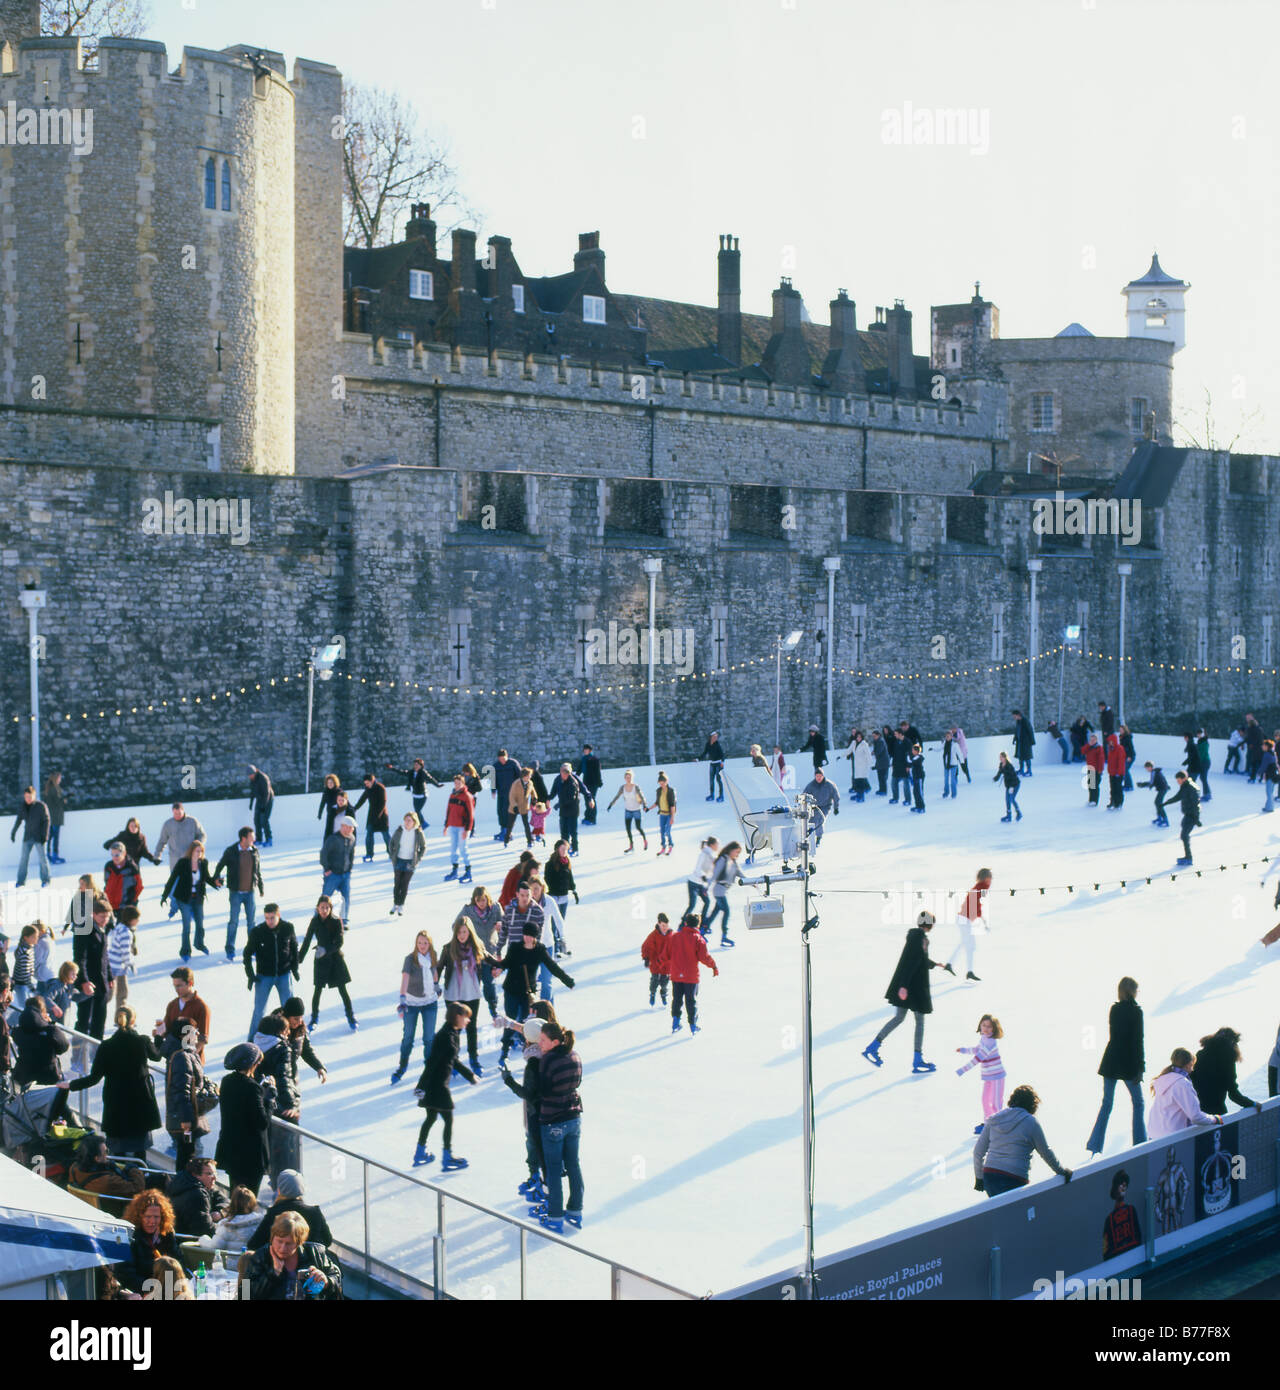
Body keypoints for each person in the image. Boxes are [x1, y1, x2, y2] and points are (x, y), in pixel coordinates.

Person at [60, 1004, 162, 1159]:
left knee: (117, 1153)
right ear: (133, 1021)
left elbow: (94, 1078)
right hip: (140, 1104)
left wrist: (70, 1085)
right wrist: (160, 1036)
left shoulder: (106, 1046)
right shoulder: (142, 1041)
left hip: (116, 1105)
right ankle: (141, 1178)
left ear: (116, 1021)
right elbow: (157, 1056)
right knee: (140, 1152)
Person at [863, 910, 951, 1074]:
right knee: (919, 1022)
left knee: (899, 1018)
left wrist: (935, 964)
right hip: (913, 988)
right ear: (929, 924)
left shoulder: (916, 937)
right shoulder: (919, 938)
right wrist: (903, 986)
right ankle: (917, 1060)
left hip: (909, 986)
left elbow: (919, 959)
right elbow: (912, 960)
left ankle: (873, 1047)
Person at [493, 918, 575, 1065]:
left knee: (527, 1021)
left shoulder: (540, 950)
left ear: (535, 936)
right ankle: (505, 1049)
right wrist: (496, 966)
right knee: (510, 1018)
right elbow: (506, 963)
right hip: (511, 990)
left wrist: (567, 980)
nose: (527, 938)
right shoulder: (515, 947)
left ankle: (528, 1047)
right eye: (525, 935)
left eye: (530, 935)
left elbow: (552, 966)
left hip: (527, 993)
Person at [500, 1006, 558, 1211]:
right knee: (538, 1149)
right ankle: (538, 1180)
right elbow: (529, 1029)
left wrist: (508, 1080)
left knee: (538, 1149)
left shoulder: (533, 1061)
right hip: (549, 1112)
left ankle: (544, 1190)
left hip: (537, 1114)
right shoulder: (547, 1052)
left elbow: (529, 1093)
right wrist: (508, 1023)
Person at [973, 1084, 1072, 1197]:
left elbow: (978, 1152)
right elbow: (1045, 1152)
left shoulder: (993, 1119)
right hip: (1014, 1178)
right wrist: (1061, 1171)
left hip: (990, 1176)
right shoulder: (1031, 1122)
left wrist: (979, 1178)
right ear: (1032, 1105)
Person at [413, 1003, 479, 1170]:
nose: (468, 1020)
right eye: (466, 1016)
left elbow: (453, 1060)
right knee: (447, 1119)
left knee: (431, 1118)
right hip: (437, 1085)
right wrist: (421, 1085)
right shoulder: (445, 1036)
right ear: (457, 1017)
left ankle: (420, 1152)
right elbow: (432, 1062)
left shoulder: (453, 1033)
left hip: (437, 1083)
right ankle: (447, 1156)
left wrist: (469, 1075)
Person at [1085, 977, 1146, 1156]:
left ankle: (1095, 1145)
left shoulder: (1115, 1009)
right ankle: (1140, 1142)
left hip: (1111, 1060)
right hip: (1128, 1063)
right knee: (1138, 1103)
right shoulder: (1136, 1012)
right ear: (1133, 991)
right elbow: (1137, 1041)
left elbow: (1115, 1036)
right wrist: (1140, 1067)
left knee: (1107, 1104)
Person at [536, 1021, 584, 1234]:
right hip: (573, 1117)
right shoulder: (574, 1055)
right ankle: (575, 1211)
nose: (539, 1043)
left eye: (543, 1040)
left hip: (553, 1120)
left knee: (554, 1169)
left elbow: (543, 1090)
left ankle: (555, 1217)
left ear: (554, 1042)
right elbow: (578, 1082)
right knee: (573, 1165)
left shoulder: (548, 1060)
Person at [215, 1042, 274, 1198]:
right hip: (250, 1155)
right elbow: (262, 1122)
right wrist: (268, 1099)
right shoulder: (252, 1088)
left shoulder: (227, 1081)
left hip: (231, 1149)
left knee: (235, 1193)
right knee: (248, 1197)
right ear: (253, 1064)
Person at [246, 1211, 341, 1300]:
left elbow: (336, 1280)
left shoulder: (315, 1254)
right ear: (272, 1237)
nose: (282, 1248)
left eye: (289, 1243)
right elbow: (244, 1294)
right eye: (279, 1241)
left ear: (299, 1242)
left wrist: (327, 1282)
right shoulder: (259, 1257)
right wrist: (273, 1273)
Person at [439, 915, 492, 1073]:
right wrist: (434, 983)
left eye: (464, 932)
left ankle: (474, 1059)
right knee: (454, 1029)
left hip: (472, 993)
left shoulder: (477, 947)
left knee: (471, 1027)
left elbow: (491, 960)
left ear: (469, 932)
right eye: (459, 932)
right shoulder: (448, 948)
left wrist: (500, 966)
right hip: (453, 994)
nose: (462, 935)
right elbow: (439, 967)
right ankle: (453, 1061)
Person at [299, 895, 356, 1031]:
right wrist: (299, 958)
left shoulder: (336, 921)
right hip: (321, 961)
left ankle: (351, 1017)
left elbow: (340, 942)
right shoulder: (314, 921)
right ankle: (314, 1019)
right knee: (317, 990)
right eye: (322, 907)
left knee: (343, 990)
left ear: (330, 908)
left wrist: (326, 950)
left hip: (335, 959)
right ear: (317, 908)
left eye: (327, 908)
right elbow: (307, 940)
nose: (324, 910)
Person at [244, 903, 300, 1039]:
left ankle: (292, 1036)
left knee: (289, 1009)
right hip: (264, 976)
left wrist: (295, 968)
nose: (269, 921)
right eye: (267, 918)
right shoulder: (258, 932)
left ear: (278, 916)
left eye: (272, 918)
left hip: (284, 974)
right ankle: (252, 1040)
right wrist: (250, 975)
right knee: (259, 1011)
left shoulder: (287, 928)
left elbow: (294, 948)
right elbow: (247, 954)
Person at [392, 929, 440, 1085]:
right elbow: (405, 978)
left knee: (429, 1038)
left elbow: (434, 972)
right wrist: (402, 998)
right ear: (416, 944)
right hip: (411, 1003)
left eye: (425, 943)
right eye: (419, 943)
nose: (422, 946)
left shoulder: (433, 956)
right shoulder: (410, 959)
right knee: (408, 1037)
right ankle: (402, 1066)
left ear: (429, 944)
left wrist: (436, 985)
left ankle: (429, 1069)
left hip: (430, 1002)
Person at [163, 1017, 211, 1170]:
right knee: (189, 1160)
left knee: (189, 1157)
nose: (198, 1035)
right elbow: (182, 1090)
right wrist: (186, 1120)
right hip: (186, 1120)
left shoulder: (187, 1053)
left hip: (189, 1116)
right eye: (195, 1032)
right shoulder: (182, 1057)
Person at [115, 1190, 184, 1293]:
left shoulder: (167, 1234)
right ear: (139, 1217)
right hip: (141, 1291)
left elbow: (178, 1262)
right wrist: (153, 1289)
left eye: (156, 1217)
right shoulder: (129, 1237)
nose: (152, 1222)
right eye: (148, 1217)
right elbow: (126, 1274)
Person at [246, 1170, 334, 1250]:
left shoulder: (274, 1213)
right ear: (302, 1189)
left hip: (281, 1265)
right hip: (310, 1265)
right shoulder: (314, 1212)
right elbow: (327, 1241)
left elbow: (254, 1244)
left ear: (279, 1190)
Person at [160, 840, 219, 961]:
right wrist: (164, 896)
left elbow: (207, 878)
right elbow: (172, 879)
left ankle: (199, 944)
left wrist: (216, 883)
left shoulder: (203, 863)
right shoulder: (183, 863)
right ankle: (185, 951)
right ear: (191, 851)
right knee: (187, 925)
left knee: (200, 923)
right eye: (197, 851)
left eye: (201, 851)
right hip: (184, 899)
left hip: (197, 898)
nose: (200, 853)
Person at [212, 826, 264, 961]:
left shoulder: (254, 851)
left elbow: (257, 871)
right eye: (252, 837)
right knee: (233, 922)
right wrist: (216, 877)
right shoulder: (231, 851)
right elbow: (220, 865)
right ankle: (230, 949)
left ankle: (253, 948)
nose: (254, 839)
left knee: (251, 923)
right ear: (244, 838)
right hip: (235, 892)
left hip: (250, 892)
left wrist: (261, 887)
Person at [662, 912, 718, 1034]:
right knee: (690, 1000)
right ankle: (693, 1025)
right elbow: (704, 957)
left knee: (676, 999)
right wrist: (713, 966)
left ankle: (675, 1022)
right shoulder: (698, 939)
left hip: (676, 975)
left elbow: (665, 954)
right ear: (698, 925)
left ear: (686, 923)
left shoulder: (674, 937)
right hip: (691, 977)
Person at [1147, 1048, 1221, 1139]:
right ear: (1189, 1064)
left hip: (1154, 1135)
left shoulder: (1162, 1079)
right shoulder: (1182, 1083)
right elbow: (1195, 1116)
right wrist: (1214, 1119)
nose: (1192, 1070)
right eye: (1192, 1065)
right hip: (1172, 1138)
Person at [1192, 1027, 1261, 1117]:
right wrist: (1253, 1104)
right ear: (1233, 1043)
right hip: (1216, 1110)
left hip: (1195, 1110)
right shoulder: (1227, 1059)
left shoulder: (1200, 1054)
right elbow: (1233, 1094)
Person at [460, 886, 504, 1023]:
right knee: (472, 986)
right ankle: (468, 1014)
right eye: (478, 901)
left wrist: (501, 924)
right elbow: (455, 926)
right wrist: (465, 934)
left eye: (483, 900)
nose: (481, 903)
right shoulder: (468, 911)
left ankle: (493, 1008)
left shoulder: (496, 908)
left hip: (489, 953)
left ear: (487, 898)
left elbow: (506, 923)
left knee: (489, 984)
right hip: (473, 955)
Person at [956, 1014, 1005, 1136]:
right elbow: (977, 1049)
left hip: (997, 1076)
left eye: (989, 1026)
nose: (986, 1028)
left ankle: (1001, 1126)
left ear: (994, 1029)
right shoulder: (983, 1038)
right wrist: (963, 1050)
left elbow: (978, 1058)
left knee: (996, 1103)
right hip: (988, 1076)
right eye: (984, 1025)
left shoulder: (991, 1042)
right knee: (985, 1100)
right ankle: (988, 1124)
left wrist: (963, 1069)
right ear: (980, 1025)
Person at [153, 802, 207, 914]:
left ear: (183, 811)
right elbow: (162, 841)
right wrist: (157, 855)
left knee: (190, 886)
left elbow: (202, 835)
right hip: (175, 861)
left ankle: (191, 910)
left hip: (191, 861)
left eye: (179, 812)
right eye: (175, 813)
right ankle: (174, 908)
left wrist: (197, 845)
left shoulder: (192, 822)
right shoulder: (168, 824)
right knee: (174, 886)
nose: (177, 815)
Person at [73, 897, 112, 1041]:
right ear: (93, 914)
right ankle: (77, 1057)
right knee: (83, 1020)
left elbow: (104, 955)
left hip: (101, 982)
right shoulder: (84, 929)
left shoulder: (102, 929)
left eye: (107, 917)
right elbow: (79, 958)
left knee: (99, 1019)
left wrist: (110, 976)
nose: (105, 920)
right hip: (88, 983)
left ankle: (96, 1054)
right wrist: (84, 981)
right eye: (102, 917)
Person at [13, 994, 69, 1087]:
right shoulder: (50, 1030)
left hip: (24, 1076)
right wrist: (49, 1024)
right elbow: (63, 1047)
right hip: (49, 1076)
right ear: (42, 1012)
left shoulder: (17, 1032)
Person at [68, 1133, 145, 1200]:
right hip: (123, 1205)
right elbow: (138, 1188)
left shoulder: (74, 1168)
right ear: (97, 1158)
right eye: (106, 1151)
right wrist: (134, 1169)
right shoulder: (107, 1181)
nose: (108, 1155)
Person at [947, 868, 991, 982]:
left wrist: (980, 917)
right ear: (985, 878)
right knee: (970, 946)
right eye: (989, 877)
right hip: (964, 919)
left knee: (964, 943)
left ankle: (950, 964)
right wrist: (980, 916)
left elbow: (976, 904)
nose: (991, 879)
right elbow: (975, 905)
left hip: (964, 919)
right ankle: (969, 972)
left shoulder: (980, 887)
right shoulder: (981, 887)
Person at [167, 1155, 226, 1239]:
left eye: (215, 1173)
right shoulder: (197, 1195)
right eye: (209, 1174)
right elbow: (205, 1229)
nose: (215, 1178)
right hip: (186, 1242)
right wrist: (224, 1229)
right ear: (196, 1175)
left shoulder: (183, 1183)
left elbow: (225, 1200)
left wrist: (221, 1213)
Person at [161, 967, 211, 1063]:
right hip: (173, 1059)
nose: (176, 989)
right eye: (174, 986)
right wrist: (159, 1033)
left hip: (192, 1063)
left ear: (190, 983)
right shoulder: (172, 1005)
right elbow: (166, 1030)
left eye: (179, 986)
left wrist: (186, 1058)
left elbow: (201, 1040)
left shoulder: (201, 1007)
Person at [703, 841, 744, 948]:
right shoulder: (723, 859)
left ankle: (702, 930)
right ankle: (724, 936)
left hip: (723, 890)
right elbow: (715, 874)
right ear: (731, 850)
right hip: (718, 890)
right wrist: (706, 887)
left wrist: (754, 882)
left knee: (715, 912)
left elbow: (741, 874)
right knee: (726, 911)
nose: (737, 854)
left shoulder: (733, 862)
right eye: (737, 852)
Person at [547, 762, 593, 855]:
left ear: (570, 772)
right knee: (563, 831)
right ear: (560, 771)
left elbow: (573, 797)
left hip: (573, 808)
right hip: (563, 809)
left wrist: (590, 798)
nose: (565, 774)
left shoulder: (573, 781)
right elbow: (553, 792)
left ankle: (575, 849)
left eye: (567, 772)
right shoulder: (558, 779)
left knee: (573, 830)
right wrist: (548, 799)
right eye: (563, 772)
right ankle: (564, 849)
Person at [1157, 770, 1201, 866]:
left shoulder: (1191, 788)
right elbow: (1177, 797)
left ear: (1184, 778)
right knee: (1184, 835)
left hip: (1191, 815)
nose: (1178, 782)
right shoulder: (1185, 786)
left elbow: (1195, 804)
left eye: (1178, 780)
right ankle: (1187, 857)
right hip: (1187, 814)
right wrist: (1165, 803)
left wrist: (1196, 819)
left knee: (1184, 835)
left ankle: (1189, 858)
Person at [10, 785, 51, 887]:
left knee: (42, 859)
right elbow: (19, 820)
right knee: (23, 859)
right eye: (26, 797)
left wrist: (45, 836)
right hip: (27, 836)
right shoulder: (23, 806)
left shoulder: (41, 806)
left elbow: (46, 820)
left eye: (30, 797)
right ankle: (20, 881)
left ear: (34, 796)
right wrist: (13, 832)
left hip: (39, 837)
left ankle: (45, 880)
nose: (28, 799)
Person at [387, 757, 443, 830]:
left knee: (417, 811)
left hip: (423, 795)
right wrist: (392, 768)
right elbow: (402, 772)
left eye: (417, 765)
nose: (415, 766)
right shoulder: (411, 772)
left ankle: (423, 824)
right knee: (416, 812)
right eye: (415, 764)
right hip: (415, 795)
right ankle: (421, 824)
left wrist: (438, 785)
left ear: (421, 766)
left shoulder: (423, 772)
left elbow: (430, 779)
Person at [388, 811, 427, 915]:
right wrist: (392, 856)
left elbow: (423, 847)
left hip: (410, 862)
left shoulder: (418, 832)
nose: (407, 822)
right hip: (399, 860)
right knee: (397, 884)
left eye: (409, 820)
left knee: (404, 884)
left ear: (414, 822)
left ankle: (401, 905)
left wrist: (417, 859)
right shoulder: (400, 830)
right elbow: (391, 843)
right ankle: (395, 904)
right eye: (405, 820)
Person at [319, 815, 357, 921]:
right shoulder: (333, 839)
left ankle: (343, 920)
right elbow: (323, 854)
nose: (352, 829)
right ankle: (318, 919)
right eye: (350, 827)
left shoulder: (352, 838)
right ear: (343, 826)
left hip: (345, 875)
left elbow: (351, 854)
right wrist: (327, 869)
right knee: (325, 898)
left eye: (353, 828)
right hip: (332, 875)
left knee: (346, 898)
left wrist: (349, 869)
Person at [443, 773, 476, 883]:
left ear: (463, 784)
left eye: (459, 783)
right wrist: (446, 825)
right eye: (455, 783)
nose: (457, 785)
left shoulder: (467, 796)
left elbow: (471, 814)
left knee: (463, 849)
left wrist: (467, 829)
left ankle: (468, 871)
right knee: (453, 850)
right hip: (453, 826)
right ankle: (454, 870)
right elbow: (448, 811)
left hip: (462, 827)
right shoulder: (452, 795)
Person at [1102, 1170, 1143, 1259]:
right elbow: (1106, 1251)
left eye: (1125, 1184)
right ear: (1115, 1187)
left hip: (1134, 1257)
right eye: (1121, 1183)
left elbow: (1138, 1236)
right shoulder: (1109, 1219)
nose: (1124, 1186)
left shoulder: (1131, 1210)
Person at [354, 771, 392, 862]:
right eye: (365, 783)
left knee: (386, 835)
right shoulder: (368, 789)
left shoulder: (380, 788)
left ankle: (392, 852)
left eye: (367, 783)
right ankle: (369, 854)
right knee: (369, 835)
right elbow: (362, 799)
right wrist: (355, 808)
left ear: (372, 781)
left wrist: (377, 816)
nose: (366, 785)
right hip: (371, 815)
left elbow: (382, 804)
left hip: (382, 816)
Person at [212, 1186, 262, 1253]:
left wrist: (203, 1239)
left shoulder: (226, 1225)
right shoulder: (261, 1222)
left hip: (229, 1263)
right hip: (252, 1262)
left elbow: (215, 1246)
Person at [107, 906, 138, 1008]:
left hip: (113, 964)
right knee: (118, 994)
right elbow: (125, 953)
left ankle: (120, 1017)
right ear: (130, 919)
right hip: (117, 966)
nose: (138, 921)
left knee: (121, 992)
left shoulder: (119, 926)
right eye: (136, 919)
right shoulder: (126, 933)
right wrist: (131, 964)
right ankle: (120, 1017)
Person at [490, 749, 523, 844]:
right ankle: (503, 830)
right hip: (501, 793)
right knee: (501, 811)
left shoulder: (513, 764)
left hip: (512, 793)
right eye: (500, 758)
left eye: (503, 758)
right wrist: (493, 791)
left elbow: (520, 777)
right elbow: (493, 780)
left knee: (510, 812)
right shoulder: (495, 766)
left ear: (507, 756)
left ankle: (508, 831)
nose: (502, 760)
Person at [544, 840, 579, 929]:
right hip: (554, 896)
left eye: (566, 849)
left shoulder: (566, 862)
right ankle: (555, 940)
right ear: (557, 849)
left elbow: (570, 877)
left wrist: (573, 890)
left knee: (561, 921)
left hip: (564, 896)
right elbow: (547, 879)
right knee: (555, 921)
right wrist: (553, 890)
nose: (564, 851)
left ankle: (560, 939)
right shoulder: (550, 864)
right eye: (562, 849)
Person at [641, 913, 673, 1008]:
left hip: (666, 964)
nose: (665, 928)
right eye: (663, 925)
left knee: (664, 982)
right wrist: (646, 958)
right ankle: (652, 993)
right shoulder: (653, 935)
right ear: (659, 924)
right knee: (654, 980)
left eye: (666, 926)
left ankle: (663, 994)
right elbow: (645, 947)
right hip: (655, 962)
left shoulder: (672, 935)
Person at [103, 841, 143, 915]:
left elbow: (139, 887)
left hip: (126, 907)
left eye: (117, 855)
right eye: (112, 855)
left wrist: (132, 902)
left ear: (124, 853)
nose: (114, 857)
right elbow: (106, 884)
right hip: (111, 907)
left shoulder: (132, 868)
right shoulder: (108, 866)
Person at [803, 767, 840, 841]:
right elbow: (804, 795)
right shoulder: (811, 785)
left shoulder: (829, 785)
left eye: (820, 776)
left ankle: (819, 837)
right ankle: (810, 838)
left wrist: (836, 808)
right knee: (812, 822)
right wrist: (804, 805)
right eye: (817, 776)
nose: (819, 778)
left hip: (825, 807)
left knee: (819, 820)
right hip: (814, 807)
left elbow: (836, 796)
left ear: (823, 776)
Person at [685, 837, 717, 920]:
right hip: (693, 883)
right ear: (712, 845)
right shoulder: (703, 854)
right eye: (717, 844)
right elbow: (698, 869)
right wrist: (704, 877)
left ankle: (702, 922)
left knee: (707, 902)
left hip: (701, 884)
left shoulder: (711, 854)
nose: (718, 846)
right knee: (692, 905)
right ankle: (682, 925)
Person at [506, 765, 537, 848]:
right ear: (524, 776)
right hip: (514, 807)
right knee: (510, 825)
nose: (530, 777)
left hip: (524, 807)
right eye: (529, 775)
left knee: (526, 824)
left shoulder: (530, 783)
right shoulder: (516, 783)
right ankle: (506, 839)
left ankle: (530, 841)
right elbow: (511, 796)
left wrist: (534, 799)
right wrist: (514, 806)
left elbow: (533, 792)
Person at [43, 771, 69, 864]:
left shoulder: (48, 789)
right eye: (59, 778)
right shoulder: (55, 789)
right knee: (55, 838)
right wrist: (65, 800)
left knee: (49, 837)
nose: (60, 780)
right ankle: (55, 856)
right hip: (56, 817)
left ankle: (48, 855)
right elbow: (58, 803)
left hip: (50, 816)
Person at [248, 765, 275, 846]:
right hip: (259, 800)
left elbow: (267, 793)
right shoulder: (252, 779)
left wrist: (264, 806)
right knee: (256, 820)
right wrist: (251, 803)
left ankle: (269, 839)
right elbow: (253, 791)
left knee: (264, 820)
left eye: (251, 775)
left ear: (255, 772)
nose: (250, 777)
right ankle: (259, 839)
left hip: (267, 800)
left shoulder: (263, 778)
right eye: (249, 776)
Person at [652, 772, 677, 855]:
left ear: (666, 782)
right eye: (660, 784)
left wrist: (672, 817)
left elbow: (672, 805)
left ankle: (670, 845)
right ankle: (663, 847)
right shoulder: (659, 791)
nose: (661, 785)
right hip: (662, 814)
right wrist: (649, 808)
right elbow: (657, 802)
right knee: (662, 832)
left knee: (667, 831)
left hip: (669, 814)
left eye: (662, 783)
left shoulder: (671, 791)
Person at [993, 751, 1022, 822]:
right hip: (1008, 785)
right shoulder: (1001, 764)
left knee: (1011, 799)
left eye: (1001, 757)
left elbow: (1013, 776)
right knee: (1007, 800)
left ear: (1005, 757)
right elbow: (999, 773)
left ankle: (1019, 813)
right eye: (999, 757)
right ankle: (1009, 816)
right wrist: (996, 778)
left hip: (1015, 784)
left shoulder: (1009, 766)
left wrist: (1012, 787)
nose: (1000, 758)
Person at [1138, 762, 1170, 827]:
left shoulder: (1154, 772)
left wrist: (1142, 784)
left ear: (1150, 767)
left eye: (1147, 768)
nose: (1146, 770)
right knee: (1157, 803)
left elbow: (1151, 783)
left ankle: (1165, 820)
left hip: (1163, 789)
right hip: (1162, 789)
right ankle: (1159, 818)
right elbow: (1154, 782)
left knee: (1158, 803)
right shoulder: (1155, 772)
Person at [578, 744, 604, 824]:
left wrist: (599, 782)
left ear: (590, 750)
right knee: (586, 800)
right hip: (585, 782)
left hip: (593, 783)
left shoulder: (595, 759)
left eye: (587, 749)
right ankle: (587, 817)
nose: (585, 751)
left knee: (591, 799)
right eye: (584, 749)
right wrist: (575, 777)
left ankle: (592, 819)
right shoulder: (583, 759)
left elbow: (597, 772)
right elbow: (579, 770)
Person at [317, 774, 345, 840]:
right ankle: (326, 848)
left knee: (337, 832)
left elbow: (345, 802)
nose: (330, 784)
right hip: (330, 815)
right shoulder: (326, 792)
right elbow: (322, 803)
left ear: (335, 783)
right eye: (328, 783)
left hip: (338, 815)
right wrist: (319, 814)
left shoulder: (339, 791)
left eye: (331, 782)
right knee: (328, 832)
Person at [700, 731, 726, 801]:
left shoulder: (717, 744)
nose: (715, 738)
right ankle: (712, 795)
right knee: (711, 780)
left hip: (719, 764)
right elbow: (704, 753)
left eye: (716, 737)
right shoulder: (708, 744)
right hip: (712, 764)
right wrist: (698, 759)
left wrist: (722, 762)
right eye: (714, 737)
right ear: (711, 737)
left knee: (718, 780)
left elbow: (722, 754)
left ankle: (721, 796)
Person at [1105, 734, 1126, 810]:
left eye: (1111, 741)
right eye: (1109, 741)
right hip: (1112, 773)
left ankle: (1119, 803)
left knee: (1118, 788)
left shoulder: (1120, 749)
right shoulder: (1110, 749)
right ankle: (1112, 802)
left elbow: (1121, 762)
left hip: (1118, 773)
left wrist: (1119, 772)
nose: (1110, 743)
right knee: (1112, 788)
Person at [1084, 732, 1105, 807]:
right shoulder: (1089, 747)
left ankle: (1094, 800)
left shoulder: (1099, 748)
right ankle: (1091, 799)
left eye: (1094, 740)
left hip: (1096, 769)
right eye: (1091, 740)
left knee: (1095, 785)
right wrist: (1088, 745)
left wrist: (1100, 769)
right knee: (1090, 784)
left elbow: (1101, 759)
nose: (1092, 741)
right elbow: (1083, 751)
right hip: (1090, 768)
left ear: (1096, 740)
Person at [1011, 709, 1034, 777]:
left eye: (1014, 716)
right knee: (1020, 756)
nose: (1014, 717)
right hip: (1020, 742)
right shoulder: (1018, 721)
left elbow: (1030, 730)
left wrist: (1032, 741)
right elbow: (1017, 731)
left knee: (1027, 756)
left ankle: (1029, 771)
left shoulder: (1025, 720)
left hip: (1026, 742)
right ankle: (1021, 770)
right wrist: (1014, 739)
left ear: (1018, 715)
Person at [1262, 739, 1279, 814]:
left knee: (1269, 792)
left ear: (1267, 746)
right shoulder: (1273, 753)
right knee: (1270, 791)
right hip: (1274, 775)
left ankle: (1270, 807)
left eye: (1263, 745)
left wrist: (1259, 772)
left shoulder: (1267, 755)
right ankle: (1268, 806)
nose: (1262, 747)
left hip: (1270, 775)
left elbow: (1264, 766)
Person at [1194, 729, 1212, 803]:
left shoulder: (1204, 742)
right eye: (1198, 733)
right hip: (1202, 762)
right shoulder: (1200, 741)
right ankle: (1207, 794)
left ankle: (1207, 794)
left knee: (1203, 777)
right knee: (1202, 777)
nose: (1199, 735)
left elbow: (1203, 753)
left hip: (1205, 762)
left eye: (1200, 733)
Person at [872, 728, 890, 796]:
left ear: (878, 735)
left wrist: (874, 753)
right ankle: (881, 789)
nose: (874, 737)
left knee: (883, 777)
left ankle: (884, 791)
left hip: (884, 762)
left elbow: (879, 751)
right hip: (880, 762)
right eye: (873, 736)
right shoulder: (876, 741)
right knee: (880, 777)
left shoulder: (881, 741)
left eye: (874, 736)